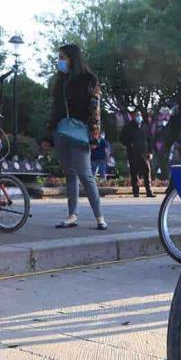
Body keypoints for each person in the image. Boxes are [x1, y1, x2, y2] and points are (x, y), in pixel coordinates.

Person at [42, 44, 107, 230]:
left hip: (80, 132)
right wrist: (48, 136)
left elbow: (95, 109)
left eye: (63, 57)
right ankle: (72, 215)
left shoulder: (89, 79)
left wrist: (94, 136)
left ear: (72, 58)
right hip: (61, 131)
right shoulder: (60, 82)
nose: (60, 61)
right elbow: (54, 110)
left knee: (86, 175)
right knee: (70, 174)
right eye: (59, 57)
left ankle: (99, 217)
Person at [120, 110, 154, 197]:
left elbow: (150, 140)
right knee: (134, 172)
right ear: (133, 117)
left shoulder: (145, 126)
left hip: (144, 153)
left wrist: (150, 152)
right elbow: (122, 138)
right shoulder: (128, 127)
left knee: (147, 171)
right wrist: (129, 143)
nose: (139, 117)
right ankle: (136, 192)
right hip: (133, 153)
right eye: (136, 116)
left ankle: (149, 191)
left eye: (140, 115)